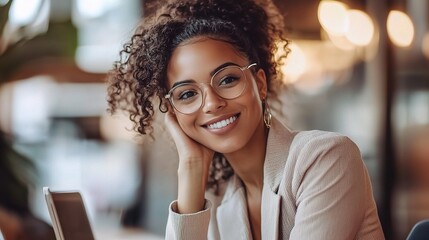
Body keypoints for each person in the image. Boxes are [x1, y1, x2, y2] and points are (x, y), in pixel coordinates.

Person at [106, 0, 385, 239]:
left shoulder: (324, 158)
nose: (213, 103)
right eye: (188, 94)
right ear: (174, 113)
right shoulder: (216, 201)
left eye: (227, 79)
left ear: (260, 84)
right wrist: (191, 166)